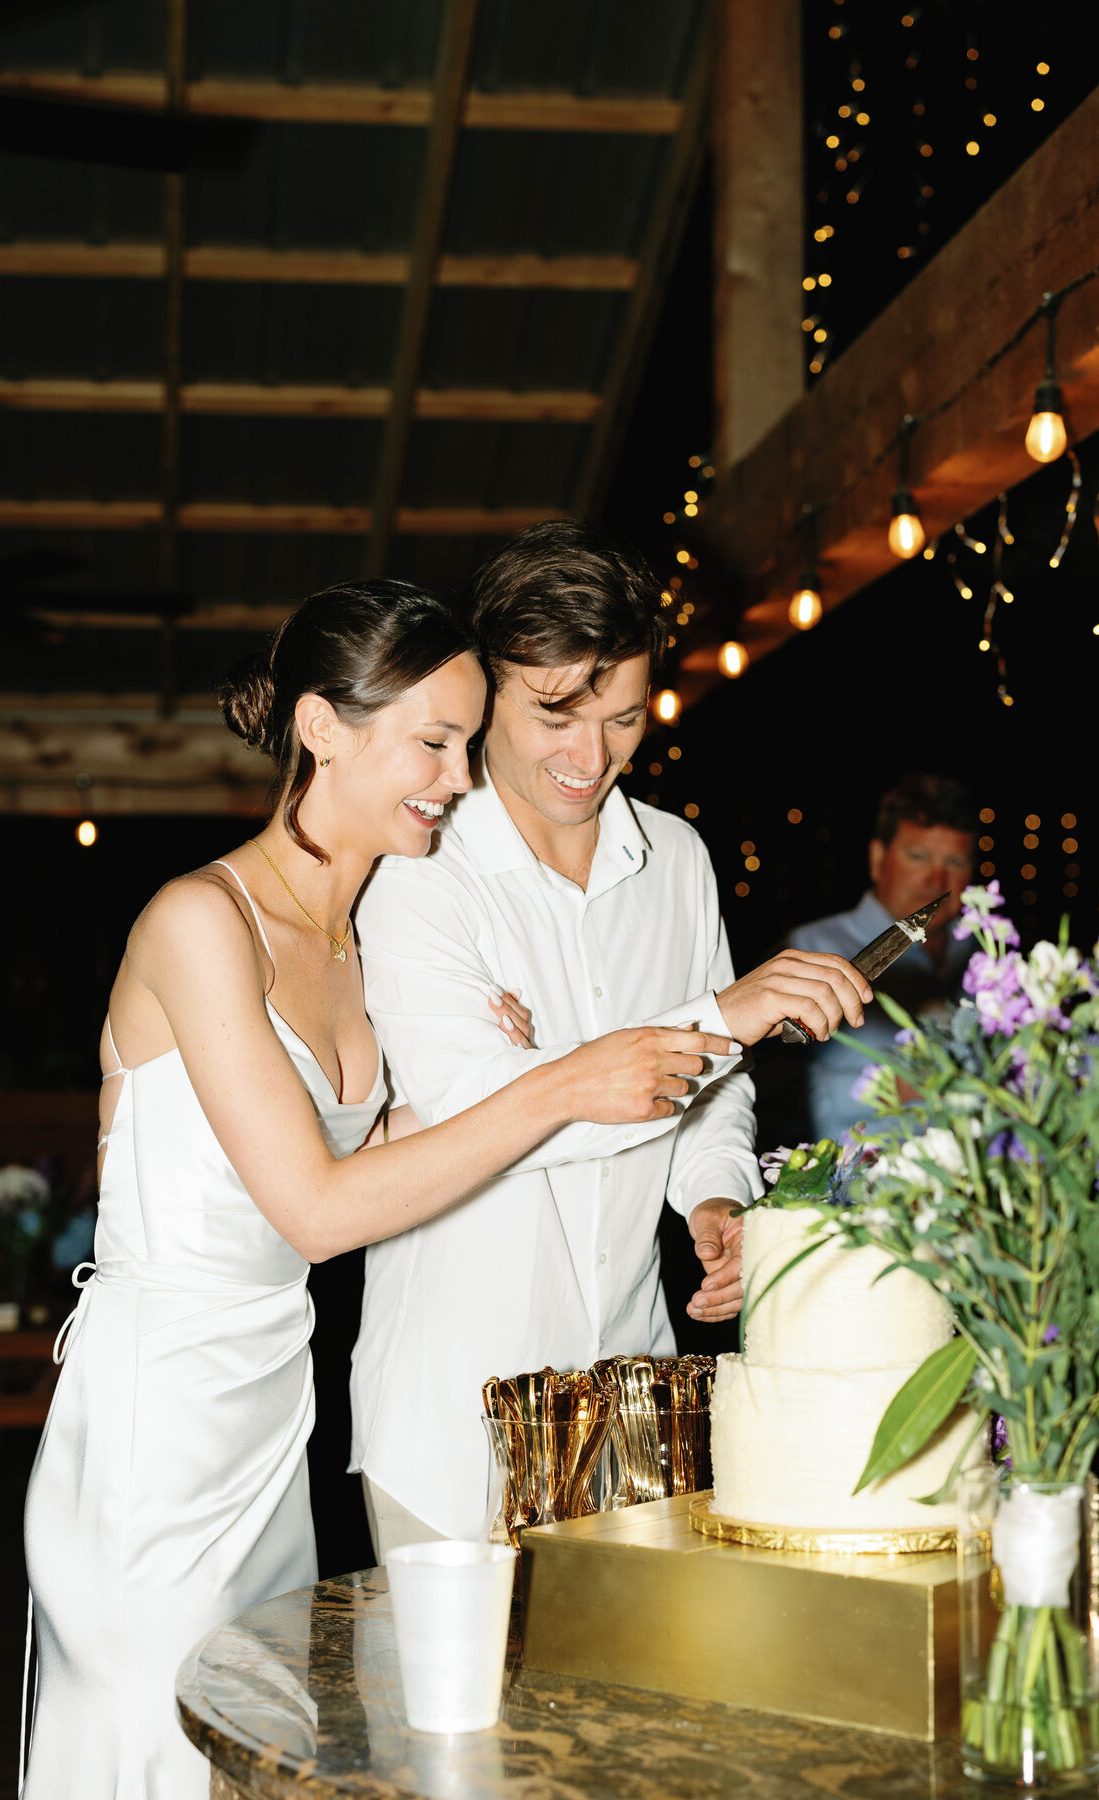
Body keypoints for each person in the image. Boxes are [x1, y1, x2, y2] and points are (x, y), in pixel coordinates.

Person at [20, 578, 734, 1800]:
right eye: (435, 743)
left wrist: (482, 1080)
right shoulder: (200, 922)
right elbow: (318, 1210)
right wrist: (554, 1085)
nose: (459, 780)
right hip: (155, 1425)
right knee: (159, 1757)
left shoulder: (355, 944)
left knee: (255, 1756)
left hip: (271, 1417)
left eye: (463, 744)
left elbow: (390, 1150)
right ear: (320, 730)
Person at [351, 521, 873, 1554]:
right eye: (555, 714)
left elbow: (714, 1089)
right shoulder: (417, 868)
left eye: (626, 719)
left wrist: (714, 1197)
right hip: (451, 1414)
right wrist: (724, 1017)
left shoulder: (675, 858)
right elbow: (478, 1113)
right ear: (483, 687)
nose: (591, 758)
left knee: (625, 1713)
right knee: (450, 1716)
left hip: (632, 1394)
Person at [789, 772, 976, 1144]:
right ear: (878, 859)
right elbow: (773, 1086)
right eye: (919, 856)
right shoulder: (810, 950)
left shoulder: (985, 961)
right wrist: (893, 1084)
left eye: (955, 861)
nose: (937, 879)